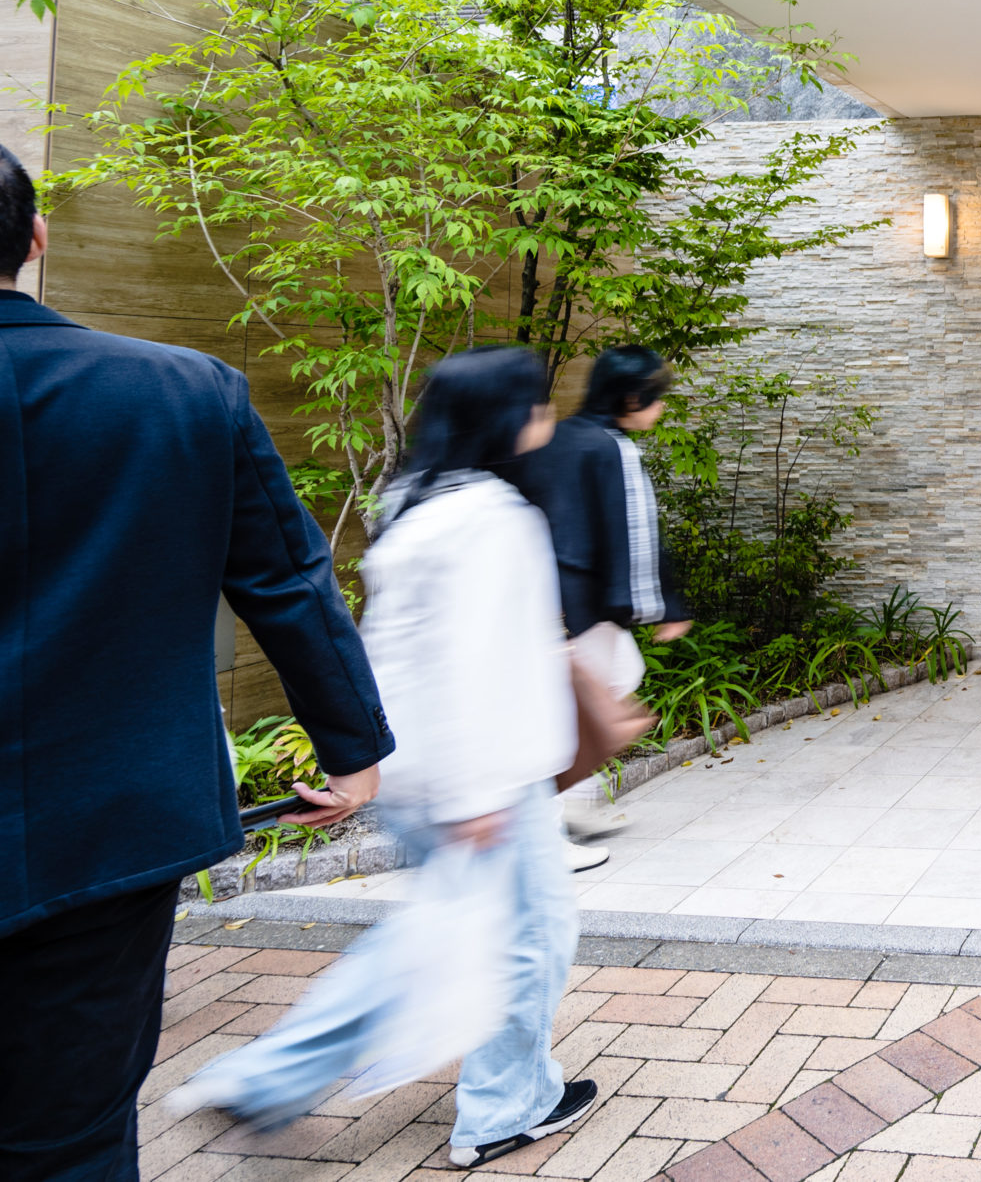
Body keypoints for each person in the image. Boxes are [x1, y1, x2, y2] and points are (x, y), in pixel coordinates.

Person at [0, 143, 395, 1182]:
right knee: (72, 1132)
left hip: (107, 823)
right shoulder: (182, 392)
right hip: (106, 827)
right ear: (35, 238)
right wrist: (352, 751)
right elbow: (287, 581)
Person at [170, 347, 596, 1169]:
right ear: (507, 417)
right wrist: (477, 796)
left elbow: (390, 655)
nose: (546, 416)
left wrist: (372, 768)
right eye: (536, 402)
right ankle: (506, 1106)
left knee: (435, 936)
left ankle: (266, 1077)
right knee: (529, 939)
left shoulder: (414, 504)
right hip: (484, 780)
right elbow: (474, 662)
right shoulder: (492, 518)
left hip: (414, 768)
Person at [506, 346, 689, 856]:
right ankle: (549, 828)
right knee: (576, 710)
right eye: (656, 397)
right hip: (584, 605)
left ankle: (574, 806)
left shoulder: (561, 436)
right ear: (630, 398)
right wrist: (661, 606)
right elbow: (635, 535)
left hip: (548, 599)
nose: (661, 407)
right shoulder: (612, 448)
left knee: (610, 685)